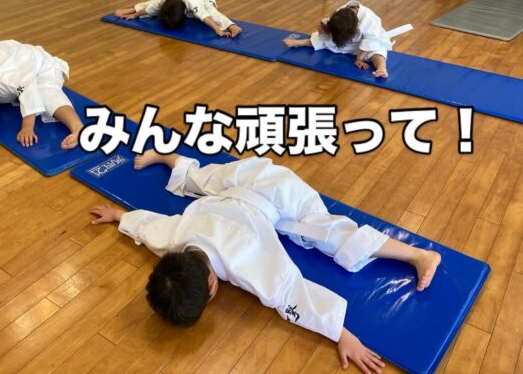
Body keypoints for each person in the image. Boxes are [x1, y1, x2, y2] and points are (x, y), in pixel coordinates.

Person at [89, 150, 441, 374]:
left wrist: (342, 334)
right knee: (199, 179)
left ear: (212, 287)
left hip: (278, 192)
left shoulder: (244, 262)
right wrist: (118, 215)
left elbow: (290, 291)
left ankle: (419, 255)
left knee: (328, 234)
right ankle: (163, 156)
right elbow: (149, 225)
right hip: (239, 181)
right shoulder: (174, 239)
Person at [283, 0, 392, 78]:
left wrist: (360, 59)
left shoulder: (370, 20)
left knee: (377, 51)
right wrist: (324, 30)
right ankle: (301, 42)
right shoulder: (340, 14)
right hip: (345, 39)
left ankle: (381, 68)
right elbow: (331, 26)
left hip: (364, 45)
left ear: (358, 24)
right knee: (324, 40)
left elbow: (371, 42)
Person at [114, 0, 242, 37]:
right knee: (155, 4)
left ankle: (232, 26)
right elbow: (150, 10)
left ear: (185, 12)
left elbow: (204, 16)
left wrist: (218, 30)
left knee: (211, 11)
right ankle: (132, 9)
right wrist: (134, 15)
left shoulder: (194, 0)